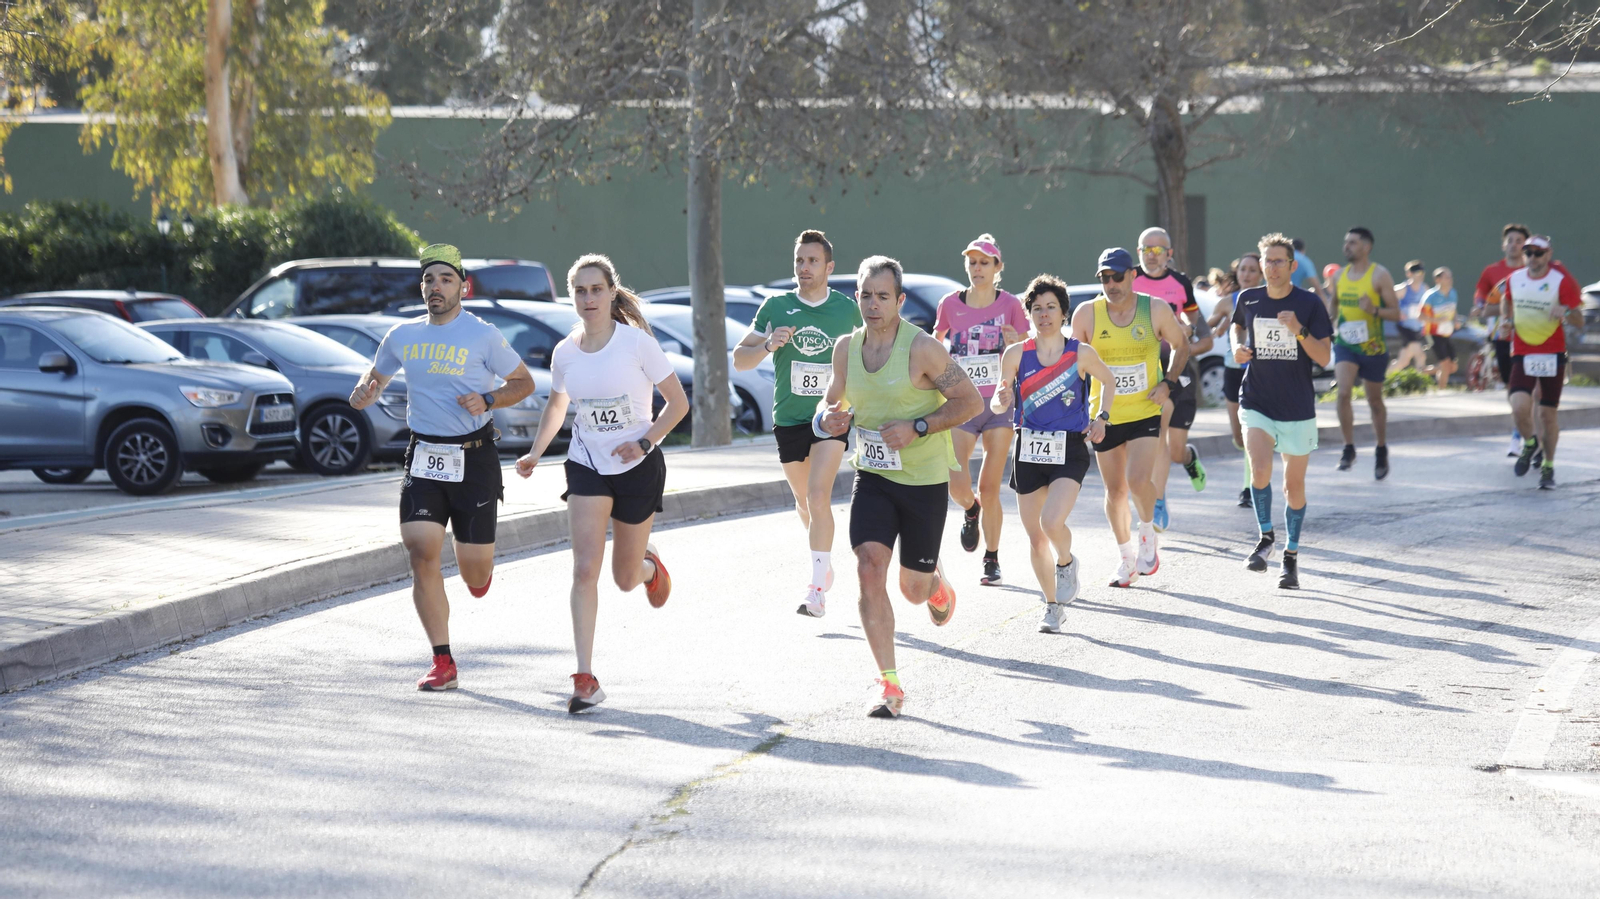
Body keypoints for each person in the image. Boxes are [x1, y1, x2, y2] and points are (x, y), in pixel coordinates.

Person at [350, 243, 536, 691]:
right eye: (429, 280)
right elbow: (376, 375)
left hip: (474, 456)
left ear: (463, 288)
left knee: (473, 571)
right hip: (425, 455)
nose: (436, 287)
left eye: (446, 279)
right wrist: (365, 390)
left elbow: (524, 383)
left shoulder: (484, 335)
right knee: (421, 553)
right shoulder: (402, 335)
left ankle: (478, 571)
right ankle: (443, 661)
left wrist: (489, 398)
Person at [514, 254, 690, 713]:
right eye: (580, 291)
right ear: (571, 297)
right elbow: (558, 408)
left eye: (596, 289)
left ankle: (650, 568)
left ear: (612, 293)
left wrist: (646, 443)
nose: (589, 298)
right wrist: (536, 451)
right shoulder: (565, 352)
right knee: (584, 569)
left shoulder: (637, 344)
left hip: (638, 466)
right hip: (586, 464)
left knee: (624, 577)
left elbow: (677, 404)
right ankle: (585, 677)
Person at [815, 255, 982, 718]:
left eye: (882, 296)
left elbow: (969, 401)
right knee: (868, 566)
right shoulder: (846, 348)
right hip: (872, 476)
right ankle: (889, 684)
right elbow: (831, 403)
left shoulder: (922, 349)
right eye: (866, 295)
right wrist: (825, 419)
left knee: (912, 589)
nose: (873, 304)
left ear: (900, 300)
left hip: (923, 480)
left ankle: (934, 582)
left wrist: (920, 426)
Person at [733, 230, 862, 617]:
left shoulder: (847, 309)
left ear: (829, 267)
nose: (804, 268)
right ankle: (824, 564)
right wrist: (769, 344)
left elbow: (873, 351)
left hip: (832, 415)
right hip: (788, 418)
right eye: (799, 261)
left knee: (819, 497)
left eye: (812, 261)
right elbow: (740, 358)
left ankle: (816, 590)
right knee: (805, 503)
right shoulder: (776, 306)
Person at [991, 275, 1115, 633]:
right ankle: (1051, 607)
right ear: (1029, 314)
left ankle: (1066, 561)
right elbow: (1002, 397)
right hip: (1028, 446)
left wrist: (1101, 418)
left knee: (1051, 523)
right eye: (1037, 308)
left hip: (1069, 448)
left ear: (1063, 313)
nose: (1043, 314)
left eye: (1051, 308)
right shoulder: (1016, 354)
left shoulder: (1080, 352)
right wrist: (1002, 399)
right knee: (1034, 537)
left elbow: (1109, 381)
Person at [1071, 247, 1189, 588]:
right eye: (1105, 278)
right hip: (1104, 417)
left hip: (1144, 412)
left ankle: (1147, 534)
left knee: (1138, 481)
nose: (1111, 284)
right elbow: (1071, 365)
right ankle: (1125, 559)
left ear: (1132, 275)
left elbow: (1182, 345)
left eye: (1117, 276)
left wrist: (1168, 384)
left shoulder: (1153, 310)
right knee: (1115, 491)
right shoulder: (1087, 314)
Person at [1231, 234, 1334, 589]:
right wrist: (1237, 349)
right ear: (1260, 265)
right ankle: (1265, 538)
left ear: (1292, 266)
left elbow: (1324, 357)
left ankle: (1290, 557)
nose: (1272, 267)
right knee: (1259, 469)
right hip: (1257, 400)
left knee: (1294, 487)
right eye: (1267, 261)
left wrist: (1299, 330)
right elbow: (1237, 325)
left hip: (1297, 406)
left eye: (1279, 261)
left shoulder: (1309, 304)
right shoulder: (1249, 298)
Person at [933, 234, 1029, 586]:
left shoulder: (1011, 305)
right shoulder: (949, 304)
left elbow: (1027, 350)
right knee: (956, 483)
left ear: (997, 267)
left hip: (999, 404)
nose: (977, 268)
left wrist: (1014, 343)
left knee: (990, 487)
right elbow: (934, 344)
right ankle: (971, 510)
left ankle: (992, 558)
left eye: (984, 262)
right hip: (961, 404)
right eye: (972, 262)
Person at [1132, 227, 1213, 534]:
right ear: (1139, 252)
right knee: (1159, 434)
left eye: (1158, 250)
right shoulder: (1129, 279)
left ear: (1169, 254)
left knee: (1176, 449)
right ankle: (1159, 500)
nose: (1152, 255)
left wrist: (1188, 330)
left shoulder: (1179, 282)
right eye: (1146, 249)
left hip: (1179, 369)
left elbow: (1195, 320)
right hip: (1148, 372)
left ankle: (1190, 458)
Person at [1501, 235, 1583, 490]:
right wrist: (1506, 320)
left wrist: (1566, 312)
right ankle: (1529, 443)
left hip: (1552, 353)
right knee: (1518, 406)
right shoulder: (1515, 279)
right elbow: (1506, 300)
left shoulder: (1560, 281)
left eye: (1538, 253)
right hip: (1524, 351)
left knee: (1547, 415)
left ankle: (1548, 466)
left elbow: (1580, 320)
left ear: (1548, 255)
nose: (1532, 257)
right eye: (1528, 252)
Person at [1329, 227, 1401, 479]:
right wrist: (1325, 325)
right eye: (1345, 242)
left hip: (1373, 347)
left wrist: (1374, 310)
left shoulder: (1379, 275)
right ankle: (1348, 448)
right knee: (1344, 392)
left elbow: (1396, 312)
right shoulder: (1338, 276)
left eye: (1353, 243)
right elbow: (1333, 307)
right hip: (1346, 344)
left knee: (1374, 401)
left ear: (1366, 247)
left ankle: (1381, 449)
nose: (1346, 246)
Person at [1210, 254, 1263, 508]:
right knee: (1238, 437)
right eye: (1243, 269)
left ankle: (1249, 488)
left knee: (1250, 429)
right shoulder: (1226, 303)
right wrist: (1215, 329)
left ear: (1261, 274)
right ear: (1237, 273)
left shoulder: (1269, 300)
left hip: (1260, 372)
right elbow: (1204, 328)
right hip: (1233, 371)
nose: (1247, 274)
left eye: (1253, 270)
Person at [1475, 224, 1532, 454]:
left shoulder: (1535, 271)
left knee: (1530, 389)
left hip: (1532, 337)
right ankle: (1521, 428)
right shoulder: (1493, 271)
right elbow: (1482, 295)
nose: (1514, 244)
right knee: (1513, 387)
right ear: (1503, 244)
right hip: (1503, 335)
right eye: (1510, 240)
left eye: (1519, 241)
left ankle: (1522, 435)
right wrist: (1480, 307)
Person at [1421, 267, 1459, 389]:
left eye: (1450, 277)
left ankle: (1422, 372)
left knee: (1452, 366)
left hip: (1446, 333)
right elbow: (1420, 316)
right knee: (1445, 363)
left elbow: (1453, 310)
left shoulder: (1453, 293)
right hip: (1432, 333)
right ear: (1438, 280)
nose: (1450, 279)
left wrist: (1455, 320)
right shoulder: (1430, 296)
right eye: (1446, 277)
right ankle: (1441, 390)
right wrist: (1436, 320)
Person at [1391, 260, 1429, 373]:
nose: (1420, 276)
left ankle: (1384, 379)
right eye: (1417, 273)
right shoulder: (1402, 289)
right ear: (1409, 274)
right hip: (1405, 328)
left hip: (1418, 329)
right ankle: (1421, 385)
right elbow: (1386, 299)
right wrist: (1398, 312)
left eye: (1422, 273)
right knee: (1420, 356)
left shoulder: (1425, 289)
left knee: (1403, 361)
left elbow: (1429, 306)